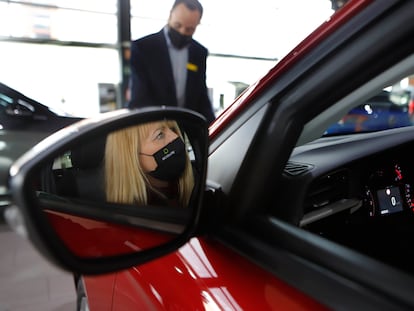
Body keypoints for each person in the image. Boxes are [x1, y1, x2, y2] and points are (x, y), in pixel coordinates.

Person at [128, 0, 215, 124]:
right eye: (177, 25)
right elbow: (139, 99)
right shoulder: (143, 48)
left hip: (187, 129)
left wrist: (215, 129)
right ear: (170, 15)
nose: (182, 32)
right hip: (152, 128)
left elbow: (201, 96)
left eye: (189, 29)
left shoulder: (199, 52)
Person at [104, 120, 194, 208]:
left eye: (173, 129)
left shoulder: (192, 186)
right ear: (132, 157)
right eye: (159, 135)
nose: (175, 136)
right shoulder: (143, 211)